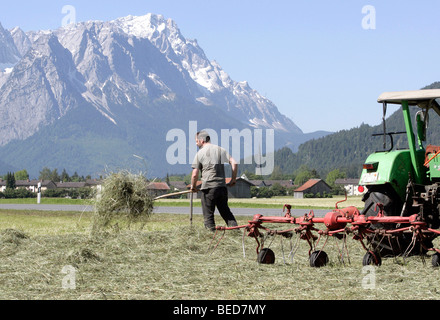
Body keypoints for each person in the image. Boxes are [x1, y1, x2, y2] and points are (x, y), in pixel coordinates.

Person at [191, 130, 238, 231]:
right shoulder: (221, 150)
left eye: (196, 141)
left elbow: (195, 174)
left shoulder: (200, 153)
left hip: (208, 188)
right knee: (226, 212)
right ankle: (236, 233)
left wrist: (193, 187)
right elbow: (234, 162)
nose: (196, 143)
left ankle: (210, 236)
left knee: (208, 216)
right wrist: (233, 179)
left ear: (201, 140)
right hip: (222, 187)